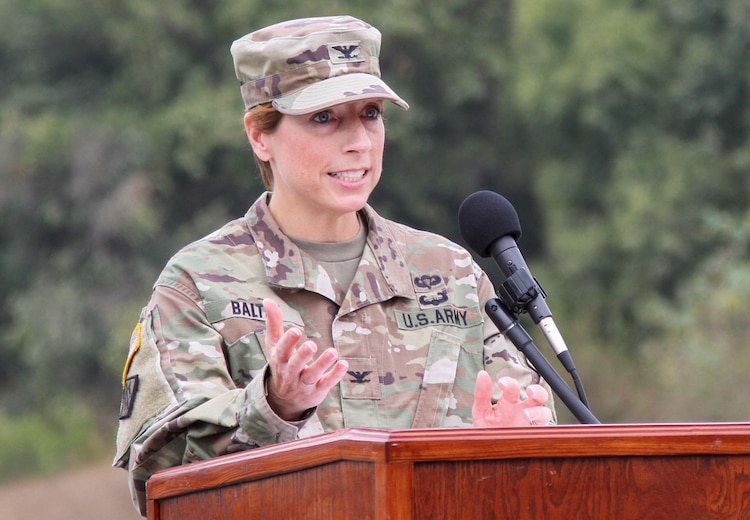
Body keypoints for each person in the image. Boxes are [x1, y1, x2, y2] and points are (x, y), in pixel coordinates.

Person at [113, 15, 555, 516]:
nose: (359, 141)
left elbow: (536, 444)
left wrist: (510, 445)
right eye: (324, 118)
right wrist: (273, 405)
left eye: (370, 113)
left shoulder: (449, 273)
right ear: (260, 135)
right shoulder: (197, 284)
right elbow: (158, 480)